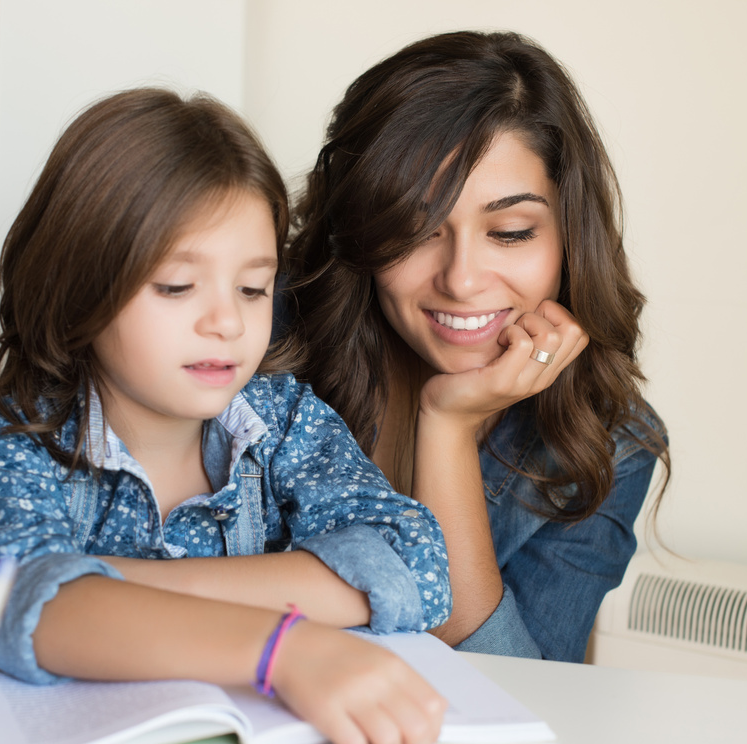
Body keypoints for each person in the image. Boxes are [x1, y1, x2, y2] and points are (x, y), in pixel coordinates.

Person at [0, 87, 453, 744]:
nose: (228, 323)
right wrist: (285, 643)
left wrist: (108, 582)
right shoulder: (22, 439)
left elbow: (416, 562)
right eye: (177, 287)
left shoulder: (283, 418)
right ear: (78, 285)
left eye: (252, 288)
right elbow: (22, 605)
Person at [282, 30, 670, 662]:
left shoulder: (611, 441)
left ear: (570, 236)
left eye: (510, 232)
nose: (461, 280)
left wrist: (447, 425)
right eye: (414, 230)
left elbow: (518, 688)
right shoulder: (256, 347)